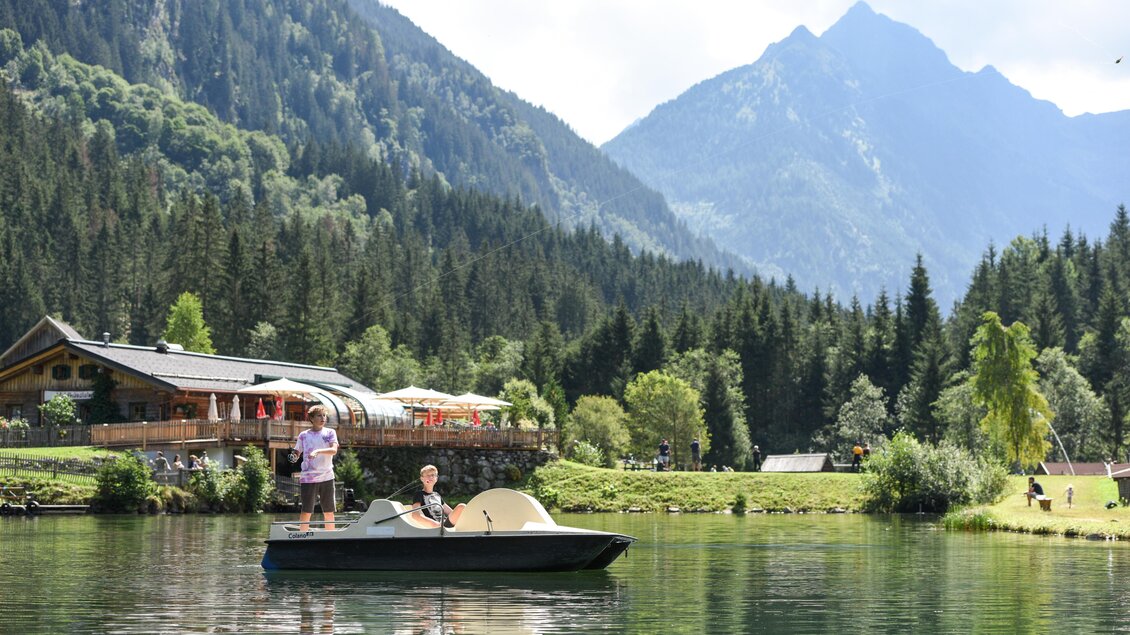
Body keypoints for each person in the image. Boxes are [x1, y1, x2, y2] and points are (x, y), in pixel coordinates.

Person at [295, 405, 339, 531]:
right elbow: (296, 453)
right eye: (319, 415)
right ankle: (302, 536)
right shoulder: (303, 435)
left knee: (329, 511)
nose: (323, 418)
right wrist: (293, 456)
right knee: (306, 511)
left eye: (324, 415)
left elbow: (333, 450)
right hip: (308, 478)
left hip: (327, 476)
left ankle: (331, 537)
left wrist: (318, 451)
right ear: (311, 418)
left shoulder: (330, 432)